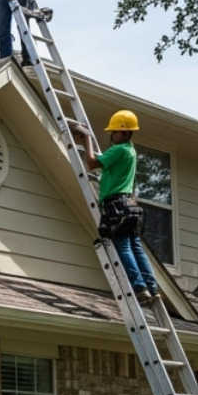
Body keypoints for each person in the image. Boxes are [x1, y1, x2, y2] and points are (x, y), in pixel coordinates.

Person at [69, 110, 163, 305]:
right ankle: (152, 288)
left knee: (124, 247)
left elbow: (91, 163)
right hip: (129, 205)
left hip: (116, 205)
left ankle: (139, 288)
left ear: (124, 132)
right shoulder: (131, 151)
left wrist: (87, 139)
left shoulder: (119, 150)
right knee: (136, 247)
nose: (112, 135)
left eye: (114, 132)